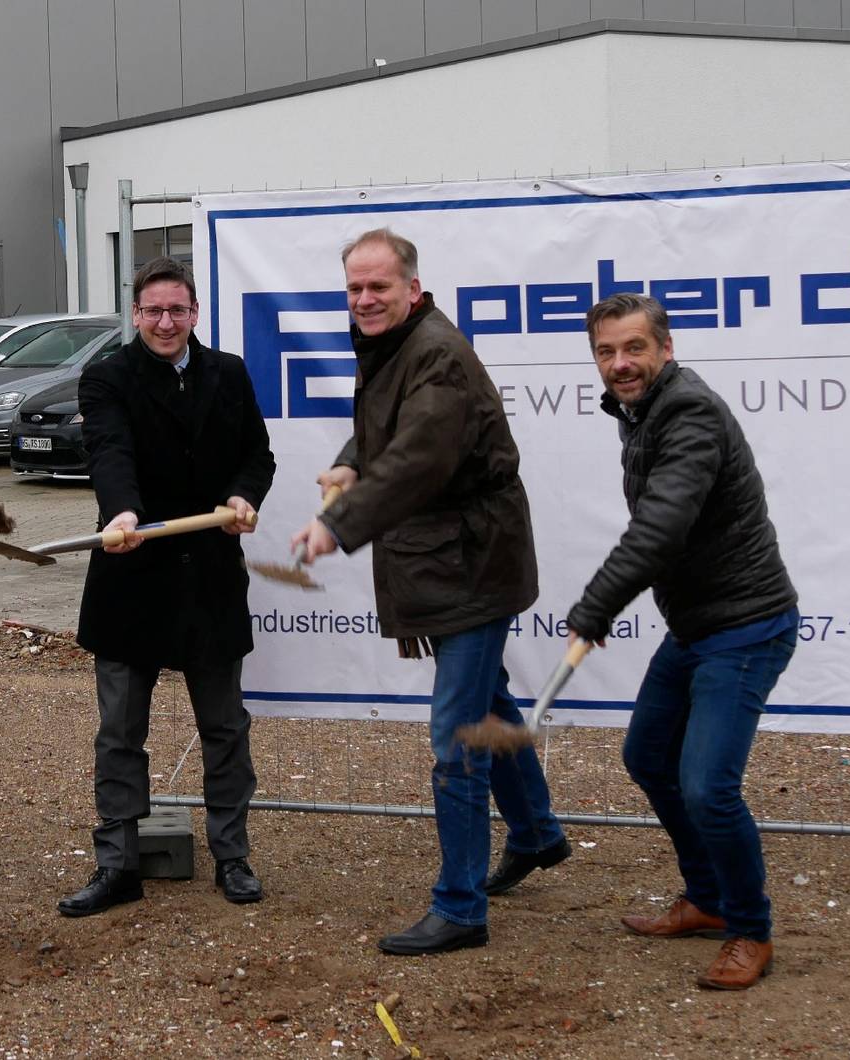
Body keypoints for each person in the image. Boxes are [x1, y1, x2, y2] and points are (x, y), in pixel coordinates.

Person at [291, 228, 569, 956]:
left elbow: (419, 457)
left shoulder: (436, 355)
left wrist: (338, 524)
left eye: (378, 287)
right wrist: (351, 462)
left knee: (456, 740)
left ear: (412, 289)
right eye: (354, 288)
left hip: (471, 568)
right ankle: (537, 834)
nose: (364, 300)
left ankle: (460, 906)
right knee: (488, 704)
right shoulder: (394, 347)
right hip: (451, 562)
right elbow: (387, 434)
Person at [567, 292, 800, 991]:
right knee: (647, 754)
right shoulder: (638, 413)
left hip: (748, 625)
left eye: (634, 348)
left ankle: (749, 930)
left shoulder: (688, 412)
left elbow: (661, 526)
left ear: (664, 349)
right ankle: (705, 897)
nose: (620, 364)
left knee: (708, 788)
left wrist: (597, 605)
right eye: (606, 352)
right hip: (698, 625)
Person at [58, 256, 276, 918]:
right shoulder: (107, 378)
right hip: (132, 575)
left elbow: (255, 454)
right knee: (120, 729)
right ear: (135, 314)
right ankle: (117, 862)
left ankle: (232, 855)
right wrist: (122, 512)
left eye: (176, 310)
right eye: (153, 311)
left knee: (224, 727)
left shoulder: (228, 374)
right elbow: (109, 451)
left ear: (195, 314)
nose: (164, 322)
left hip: (209, 574)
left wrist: (242, 495)